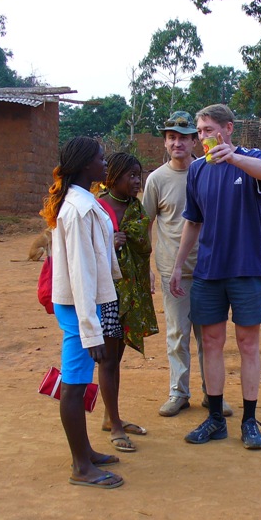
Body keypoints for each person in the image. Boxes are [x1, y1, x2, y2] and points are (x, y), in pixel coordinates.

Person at [169, 104, 261, 450]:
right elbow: (193, 222)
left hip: (246, 269)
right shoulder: (197, 170)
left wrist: (233, 159)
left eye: (209, 130)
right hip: (208, 272)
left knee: (248, 345)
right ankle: (215, 418)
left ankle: (249, 420)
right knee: (210, 344)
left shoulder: (251, 156)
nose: (203, 138)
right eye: (200, 132)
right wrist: (178, 265)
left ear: (228, 129)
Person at [39, 136, 124, 489]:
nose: (105, 165)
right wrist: (91, 330)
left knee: (79, 382)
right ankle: (80, 467)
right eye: (100, 159)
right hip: (77, 306)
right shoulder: (77, 209)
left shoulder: (83, 202)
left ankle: (85, 451)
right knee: (73, 387)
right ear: (85, 165)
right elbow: (80, 273)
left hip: (83, 304)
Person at [142, 111, 232, 418]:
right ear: (165, 142)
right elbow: (146, 225)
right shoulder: (156, 180)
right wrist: (148, 270)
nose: (177, 143)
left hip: (208, 269)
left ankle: (212, 393)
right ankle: (178, 392)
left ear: (195, 140)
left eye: (183, 137)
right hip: (173, 272)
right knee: (178, 334)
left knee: (209, 336)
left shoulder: (208, 171)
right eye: (171, 138)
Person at [95, 152, 159, 451]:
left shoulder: (135, 207)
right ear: (115, 176)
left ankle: (111, 416)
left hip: (129, 292)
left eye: (139, 175)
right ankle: (115, 425)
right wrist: (112, 242)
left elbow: (145, 245)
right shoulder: (98, 206)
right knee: (108, 360)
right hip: (106, 294)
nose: (137, 181)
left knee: (116, 358)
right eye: (132, 175)